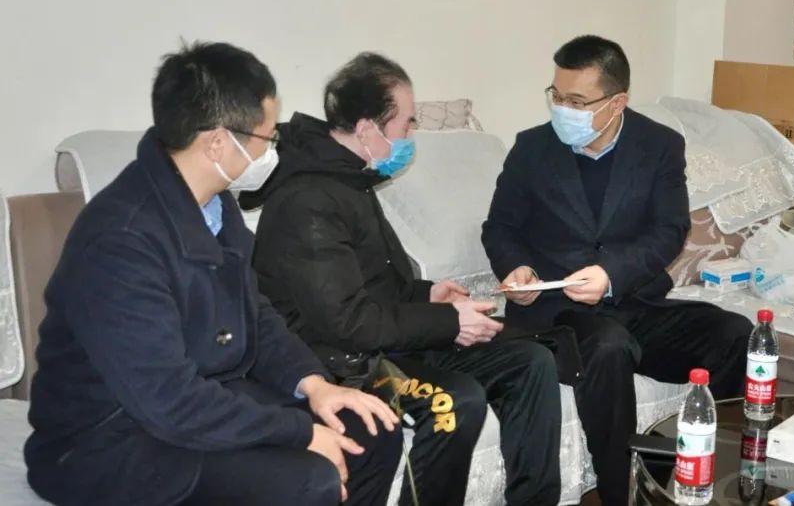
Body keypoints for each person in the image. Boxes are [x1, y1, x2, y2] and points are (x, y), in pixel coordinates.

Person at [24, 42, 402, 506]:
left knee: (369, 431)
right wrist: (300, 432)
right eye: (268, 138)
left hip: (198, 400)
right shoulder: (121, 240)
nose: (274, 150)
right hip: (107, 439)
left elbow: (255, 313)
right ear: (218, 142)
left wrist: (314, 384)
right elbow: (167, 401)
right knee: (308, 478)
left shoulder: (215, 204)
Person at [241, 53, 563, 506]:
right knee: (454, 403)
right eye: (407, 123)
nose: (412, 133)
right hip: (344, 363)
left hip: (382, 341)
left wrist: (429, 294)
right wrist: (449, 321)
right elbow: (348, 322)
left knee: (530, 362)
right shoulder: (308, 199)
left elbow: (375, 286)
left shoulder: (350, 178)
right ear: (367, 129)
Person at [481, 34, 752, 505]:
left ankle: (715, 477)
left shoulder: (659, 145)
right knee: (608, 347)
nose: (562, 109)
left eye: (577, 101)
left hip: (633, 300)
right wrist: (517, 268)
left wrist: (611, 274)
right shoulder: (531, 148)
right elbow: (500, 227)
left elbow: (669, 230)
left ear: (617, 102)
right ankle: (620, 495)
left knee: (734, 334)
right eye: (556, 96)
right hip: (557, 315)